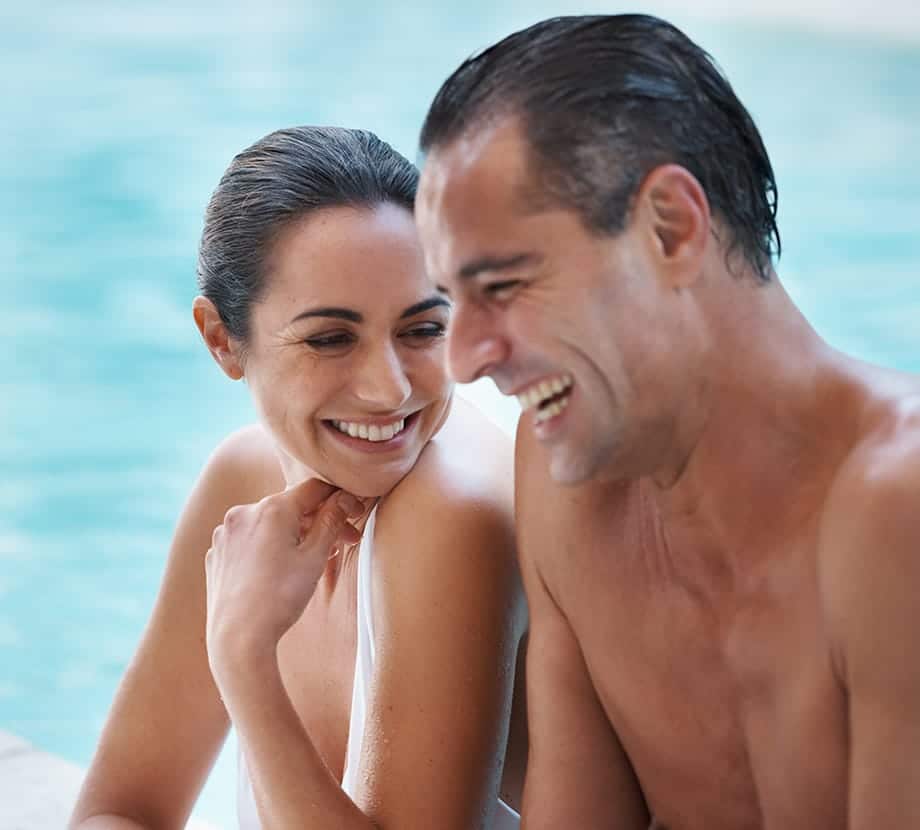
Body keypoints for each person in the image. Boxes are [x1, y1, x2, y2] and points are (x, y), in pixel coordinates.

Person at [414, 13, 920, 830]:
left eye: (502, 285)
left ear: (670, 228)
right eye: (452, 303)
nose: (464, 358)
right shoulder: (565, 489)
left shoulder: (897, 504)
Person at [69, 126, 526, 830]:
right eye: (330, 338)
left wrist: (243, 662)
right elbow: (121, 808)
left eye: (422, 329)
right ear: (222, 339)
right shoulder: (243, 479)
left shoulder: (454, 513)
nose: (387, 388)